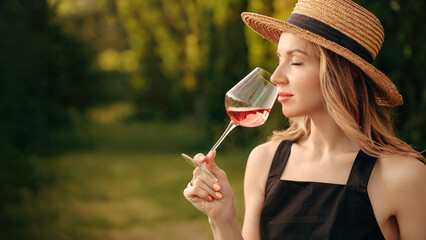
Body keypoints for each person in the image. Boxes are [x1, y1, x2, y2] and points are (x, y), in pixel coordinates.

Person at [183, 0, 426, 239]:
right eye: (280, 59)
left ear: (341, 75)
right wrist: (222, 218)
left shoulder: (404, 177)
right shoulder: (264, 161)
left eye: (296, 61)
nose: (277, 77)